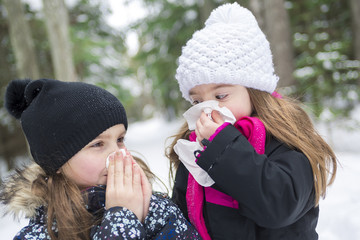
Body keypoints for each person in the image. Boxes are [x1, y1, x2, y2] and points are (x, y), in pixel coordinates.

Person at [166, 3, 337, 240]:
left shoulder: (287, 137)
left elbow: (279, 207)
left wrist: (223, 148)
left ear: (254, 89)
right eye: (197, 101)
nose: (208, 109)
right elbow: (183, 214)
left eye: (220, 96)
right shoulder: (196, 147)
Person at [1, 78, 201, 240]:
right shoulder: (38, 235)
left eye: (120, 139)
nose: (119, 153)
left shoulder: (153, 207)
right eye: (97, 144)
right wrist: (122, 220)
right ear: (57, 162)